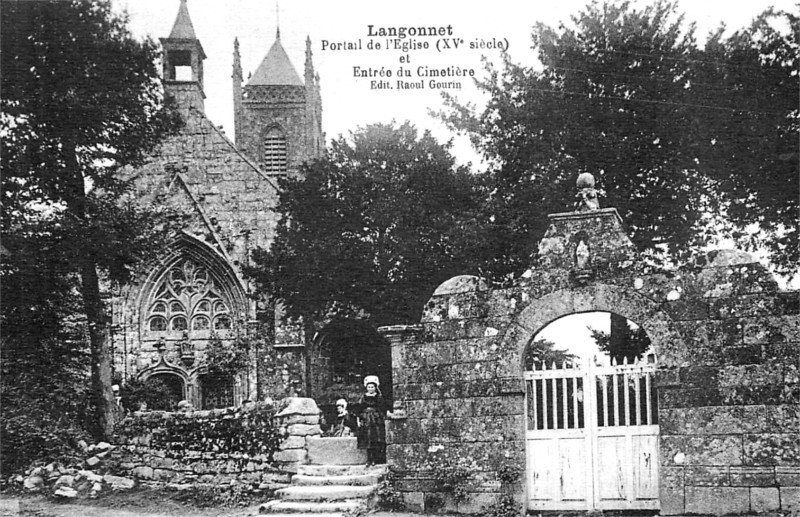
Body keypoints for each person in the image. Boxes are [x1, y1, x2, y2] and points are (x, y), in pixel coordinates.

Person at [357, 375, 386, 466]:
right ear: (366, 387)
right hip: (366, 419)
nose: (370, 388)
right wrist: (359, 420)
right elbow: (359, 409)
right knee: (367, 438)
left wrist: (381, 417)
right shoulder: (363, 397)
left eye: (372, 387)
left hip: (375, 419)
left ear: (375, 387)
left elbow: (382, 408)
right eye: (369, 387)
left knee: (375, 438)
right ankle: (368, 459)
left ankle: (374, 459)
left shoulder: (378, 397)